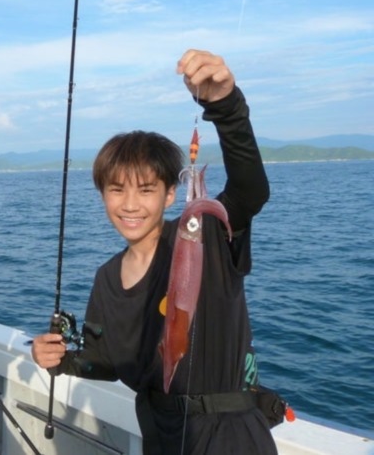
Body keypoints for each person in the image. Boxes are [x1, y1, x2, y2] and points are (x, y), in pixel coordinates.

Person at [32, 50, 278, 455]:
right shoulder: (107, 278)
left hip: (230, 436)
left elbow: (251, 191)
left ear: (169, 195)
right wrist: (61, 360)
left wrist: (226, 106)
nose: (130, 205)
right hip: (159, 435)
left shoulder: (207, 236)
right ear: (102, 195)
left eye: (146, 190)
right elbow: (104, 362)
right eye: (117, 189)